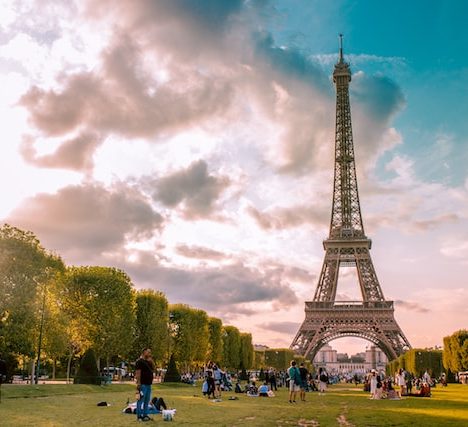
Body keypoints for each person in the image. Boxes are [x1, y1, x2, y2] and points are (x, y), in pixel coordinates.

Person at [135, 348, 155, 422]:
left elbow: (153, 369)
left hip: (148, 384)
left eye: (150, 352)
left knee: (147, 400)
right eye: (148, 352)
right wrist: (139, 383)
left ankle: (145, 415)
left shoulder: (148, 361)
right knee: (140, 400)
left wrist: (151, 361)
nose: (150, 353)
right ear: (144, 352)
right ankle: (139, 416)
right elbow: (138, 373)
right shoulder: (139, 362)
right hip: (142, 384)